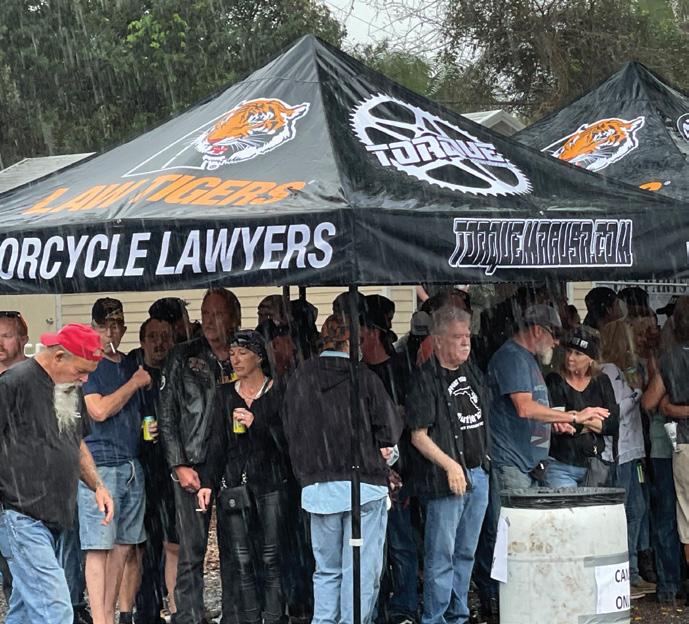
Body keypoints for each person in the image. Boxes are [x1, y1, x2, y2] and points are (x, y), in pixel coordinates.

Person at [282, 313, 403, 624]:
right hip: (363, 485)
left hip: (318, 486)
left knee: (327, 570)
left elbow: (288, 428)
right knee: (360, 571)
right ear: (352, 342)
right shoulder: (363, 377)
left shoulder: (300, 378)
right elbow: (389, 430)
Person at [0, 323, 114, 623]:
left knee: (25, 611)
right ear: (59, 357)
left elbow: (75, 443)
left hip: (53, 516)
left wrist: (98, 486)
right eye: (81, 370)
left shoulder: (69, 386)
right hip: (18, 514)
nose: (85, 379)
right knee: (56, 609)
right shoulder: (14, 383)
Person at [158, 287, 242, 624]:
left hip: (234, 461)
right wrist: (178, 463)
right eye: (205, 314)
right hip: (193, 460)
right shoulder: (183, 355)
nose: (208, 321)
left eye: (217, 314)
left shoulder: (243, 353)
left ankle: (236, 614)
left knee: (236, 548)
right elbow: (166, 415)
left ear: (233, 318)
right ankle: (189, 617)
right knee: (191, 550)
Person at [198, 330, 289, 624]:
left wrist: (257, 423)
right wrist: (208, 483)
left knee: (272, 556)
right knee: (241, 558)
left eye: (242, 353)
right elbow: (216, 444)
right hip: (235, 484)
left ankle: (273, 617)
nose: (235, 359)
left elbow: (288, 441)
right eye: (232, 354)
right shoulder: (225, 394)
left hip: (271, 483)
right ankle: (249, 618)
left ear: (259, 357)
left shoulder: (278, 391)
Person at [406, 306, 490, 624]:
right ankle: (435, 618)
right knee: (441, 555)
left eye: (467, 335)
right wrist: (451, 465)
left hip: (478, 472)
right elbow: (418, 436)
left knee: (466, 552)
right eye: (457, 337)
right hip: (445, 479)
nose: (465, 342)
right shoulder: (424, 379)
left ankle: (458, 615)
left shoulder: (472, 371)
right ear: (438, 340)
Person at [487, 304, 609, 491]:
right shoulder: (512, 357)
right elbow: (524, 408)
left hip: (530, 467)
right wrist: (574, 417)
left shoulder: (527, 358)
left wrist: (554, 422)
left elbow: (534, 408)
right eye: (555, 334)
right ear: (537, 330)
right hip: (513, 465)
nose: (557, 342)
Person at [81, 298, 151, 624]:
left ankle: (113, 614)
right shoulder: (89, 364)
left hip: (132, 463)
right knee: (99, 545)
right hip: (100, 466)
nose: (111, 332)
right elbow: (98, 410)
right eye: (104, 325)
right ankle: (101, 618)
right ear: (93, 328)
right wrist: (134, 383)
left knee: (125, 545)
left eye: (116, 325)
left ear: (124, 327)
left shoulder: (129, 362)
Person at [361, 296, 417, 624]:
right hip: (368, 471)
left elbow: (409, 422)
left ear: (372, 332)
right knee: (373, 549)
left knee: (401, 544)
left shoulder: (401, 369)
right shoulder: (356, 374)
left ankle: (405, 609)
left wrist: (397, 470)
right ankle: (377, 608)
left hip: (401, 470)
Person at [601, 318, 659, 599]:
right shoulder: (609, 371)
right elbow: (615, 411)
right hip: (620, 451)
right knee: (626, 511)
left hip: (634, 450)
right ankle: (625, 572)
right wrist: (637, 393)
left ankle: (633, 571)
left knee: (638, 509)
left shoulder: (626, 368)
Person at [130, 317, 178, 624]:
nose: (159, 343)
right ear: (142, 342)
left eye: (165, 336)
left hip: (172, 469)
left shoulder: (176, 374)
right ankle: (146, 611)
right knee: (143, 545)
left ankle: (178, 608)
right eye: (152, 337)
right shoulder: (132, 375)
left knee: (174, 543)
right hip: (142, 468)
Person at [642, 296, 689, 598]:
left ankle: (670, 586)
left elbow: (649, 402)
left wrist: (671, 407)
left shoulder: (670, 359)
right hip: (676, 444)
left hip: (679, 445)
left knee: (679, 518)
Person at [544, 327, 620, 487]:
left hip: (594, 465)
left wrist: (578, 419)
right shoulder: (555, 380)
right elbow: (559, 426)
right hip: (561, 465)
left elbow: (612, 424)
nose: (570, 358)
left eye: (578, 354)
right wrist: (592, 419)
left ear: (591, 359)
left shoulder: (602, 381)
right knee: (566, 505)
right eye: (568, 351)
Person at [0, 311, 28, 607]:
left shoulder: (36, 377)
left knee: (22, 567)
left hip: (25, 489)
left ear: (23, 339)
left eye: (6, 336)